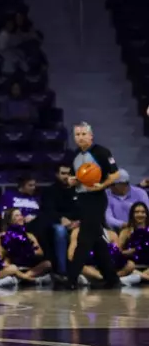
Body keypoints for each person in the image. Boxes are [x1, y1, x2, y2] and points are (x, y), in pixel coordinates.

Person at [62, 122, 120, 287]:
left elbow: (116, 174)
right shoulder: (75, 155)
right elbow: (73, 178)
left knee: (84, 238)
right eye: (77, 135)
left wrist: (102, 185)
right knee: (97, 240)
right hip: (82, 199)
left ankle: (71, 279)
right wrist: (71, 181)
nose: (80, 138)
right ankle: (112, 279)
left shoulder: (101, 152)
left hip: (97, 198)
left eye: (83, 134)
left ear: (90, 136)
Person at [1, 208, 54, 284]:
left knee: (47, 264)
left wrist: (28, 251)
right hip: (14, 267)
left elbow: (40, 253)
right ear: (10, 220)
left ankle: (22, 278)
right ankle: (30, 280)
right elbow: (3, 254)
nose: (20, 217)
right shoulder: (4, 235)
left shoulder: (29, 235)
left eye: (21, 215)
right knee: (7, 265)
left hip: (30, 268)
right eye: (17, 216)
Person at [117, 202, 149, 272]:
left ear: (146, 214)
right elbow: (117, 252)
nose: (140, 214)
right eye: (136, 212)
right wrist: (128, 252)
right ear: (132, 215)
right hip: (132, 266)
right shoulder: (125, 232)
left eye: (143, 212)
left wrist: (136, 250)